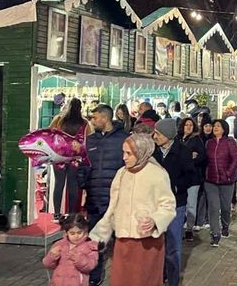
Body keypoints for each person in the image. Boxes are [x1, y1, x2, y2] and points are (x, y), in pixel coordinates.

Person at [90, 133, 176, 286]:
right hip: (123, 243)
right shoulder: (121, 174)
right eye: (123, 152)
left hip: (148, 244)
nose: (124, 157)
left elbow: (168, 205)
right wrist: (97, 237)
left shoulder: (157, 174)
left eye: (129, 153)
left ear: (141, 152)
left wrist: (155, 220)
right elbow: (112, 209)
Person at [79, 104, 129, 286]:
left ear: (105, 118)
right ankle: (94, 277)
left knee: (121, 242)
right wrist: (81, 181)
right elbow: (85, 166)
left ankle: (124, 278)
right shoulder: (90, 141)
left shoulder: (124, 139)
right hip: (94, 200)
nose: (92, 121)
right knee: (94, 241)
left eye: (94, 118)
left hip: (117, 200)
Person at [152, 120, 195, 286]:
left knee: (173, 245)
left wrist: (177, 187)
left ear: (168, 135)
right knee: (157, 243)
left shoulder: (182, 151)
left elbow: (191, 176)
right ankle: (160, 275)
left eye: (159, 134)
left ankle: (173, 280)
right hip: (156, 205)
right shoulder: (153, 152)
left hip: (176, 204)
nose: (155, 136)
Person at [49, 98, 92, 220]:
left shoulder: (58, 120)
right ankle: (72, 213)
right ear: (80, 108)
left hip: (59, 157)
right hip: (75, 158)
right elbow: (89, 139)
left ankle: (57, 213)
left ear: (68, 107)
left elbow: (50, 133)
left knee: (59, 184)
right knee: (73, 185)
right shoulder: (85, 123)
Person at [203, 120, 237, 247]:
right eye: (214, 126)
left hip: (227, 181)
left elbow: (235, 159)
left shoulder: (230, 142)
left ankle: (225, 226)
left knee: (225, 207)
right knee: (213, 207)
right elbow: (204, 160)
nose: (215, 128)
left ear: (224, 129)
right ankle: (215, 234)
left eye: (218, 126)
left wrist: (229, 173)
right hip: (211, 181)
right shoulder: (209, 143)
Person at [43, 213, 99, 286]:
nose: (76, 236)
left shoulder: (90, 246)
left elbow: (91, 265)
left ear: (85, 231)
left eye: (79, 232)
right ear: (66, 233)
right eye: (72, 233)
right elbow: (48, 265)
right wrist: (52, 256)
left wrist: (79, 260)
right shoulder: (60, 244)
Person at [179, 117, 206, 241]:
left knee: (191, 204)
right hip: (181, 177)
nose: (188, 127)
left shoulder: (196, 140)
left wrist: (191, 158)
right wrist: (189, 156)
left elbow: (202, 156)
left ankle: (189, 229)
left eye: (190, 125)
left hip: (193, 177)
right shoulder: (178, 139)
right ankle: (181, 226)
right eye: (186, 125)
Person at [194, 116, 214, 231]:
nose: (208, 128)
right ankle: (198, 219)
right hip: (200, 172)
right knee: (200, 195)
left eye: (210, 126)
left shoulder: (213, 139)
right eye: (206, 126)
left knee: (208, 196)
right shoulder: (198, 139)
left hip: (210, 171)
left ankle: (207, 219)